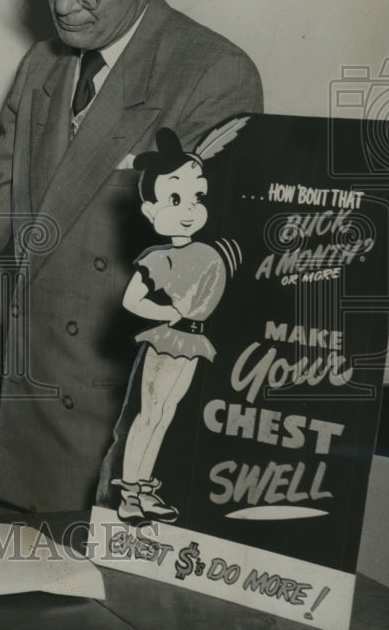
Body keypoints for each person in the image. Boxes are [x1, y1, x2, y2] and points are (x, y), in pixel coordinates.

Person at [0, 0, 264, 514]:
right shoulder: (42, 66)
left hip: (112, 445)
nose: (62, 5)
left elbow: (197, 286)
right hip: (19, 427)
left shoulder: (212, 77)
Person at [114, 125, 242, 523]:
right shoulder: (159, 258)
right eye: (175, 198)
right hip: (168, 341)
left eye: (196, 197)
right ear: (152, 211)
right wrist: (168, 313)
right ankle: (128, 494)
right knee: (149, 413)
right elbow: (130, 299)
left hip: (193, 341)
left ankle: (144, 488)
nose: (188, 209)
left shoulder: (206, 252)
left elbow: (210, 294)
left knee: (166, 415)